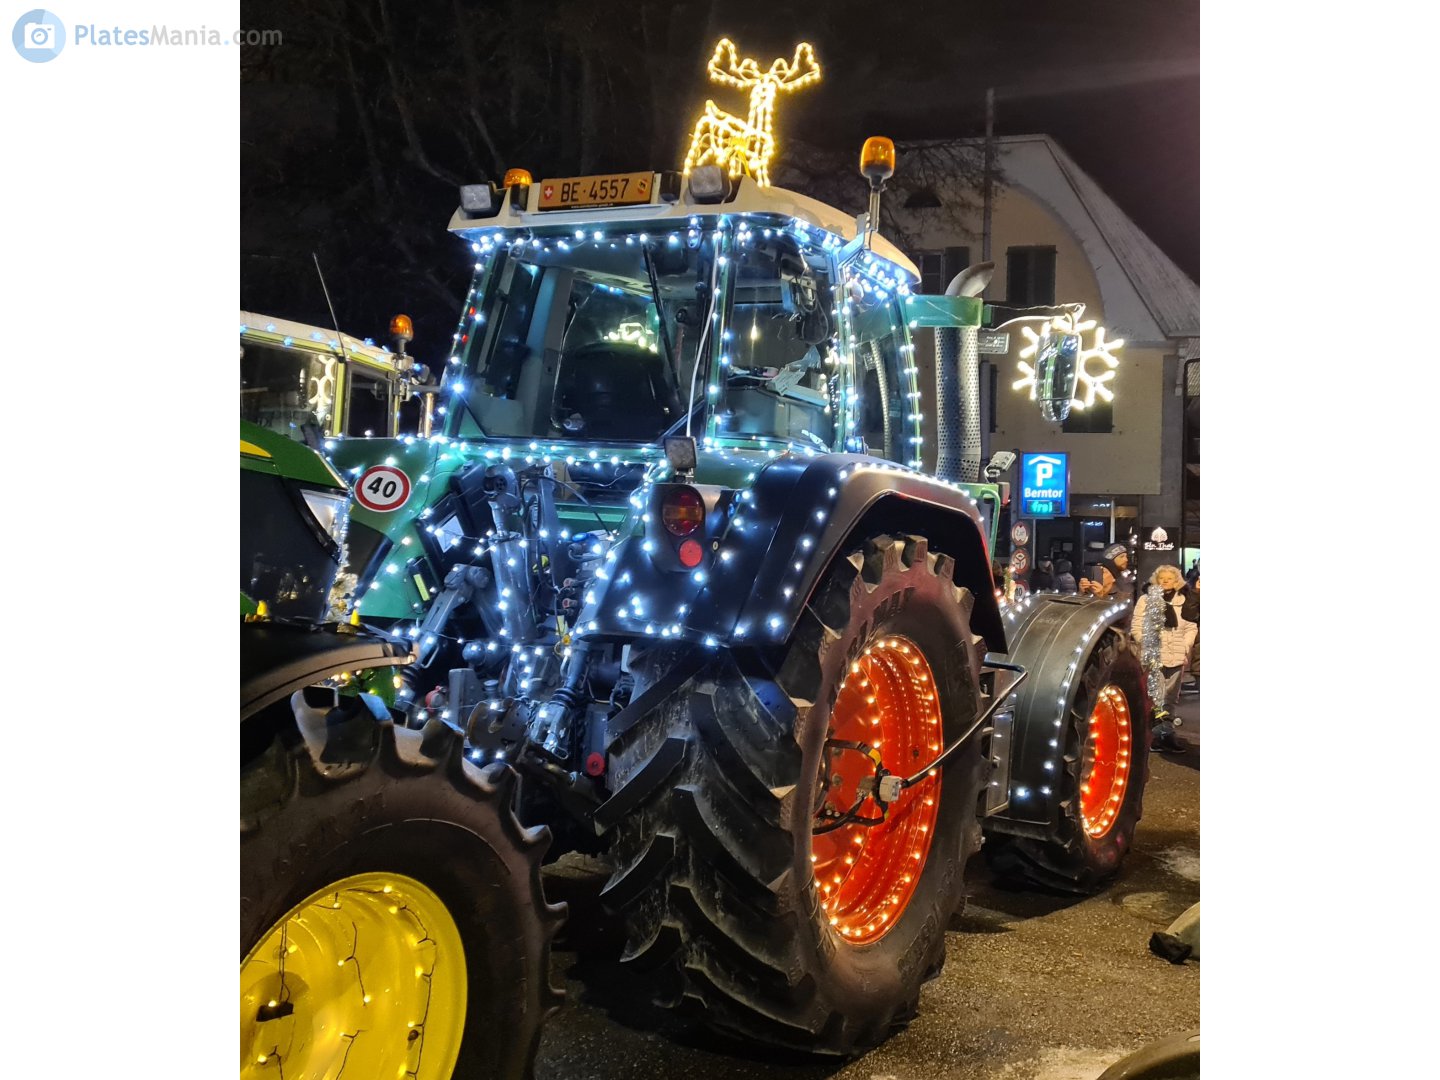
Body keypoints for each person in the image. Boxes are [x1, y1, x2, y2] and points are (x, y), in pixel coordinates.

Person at [1131, 564, 1198, 752]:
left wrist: (1185, 645)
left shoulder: (1184, 600)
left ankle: (1166, 733)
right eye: (1162, 578)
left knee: (1171, 697)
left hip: (1177, 654)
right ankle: (1155, 735)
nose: (1165, 581)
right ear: (1156, 580)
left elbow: (1191, 626)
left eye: (1170, 578)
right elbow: (1137, 625)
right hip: (1154, 654)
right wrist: (1146, 643)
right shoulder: (1146, 600)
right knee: (1156, 696)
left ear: (1177, 581)